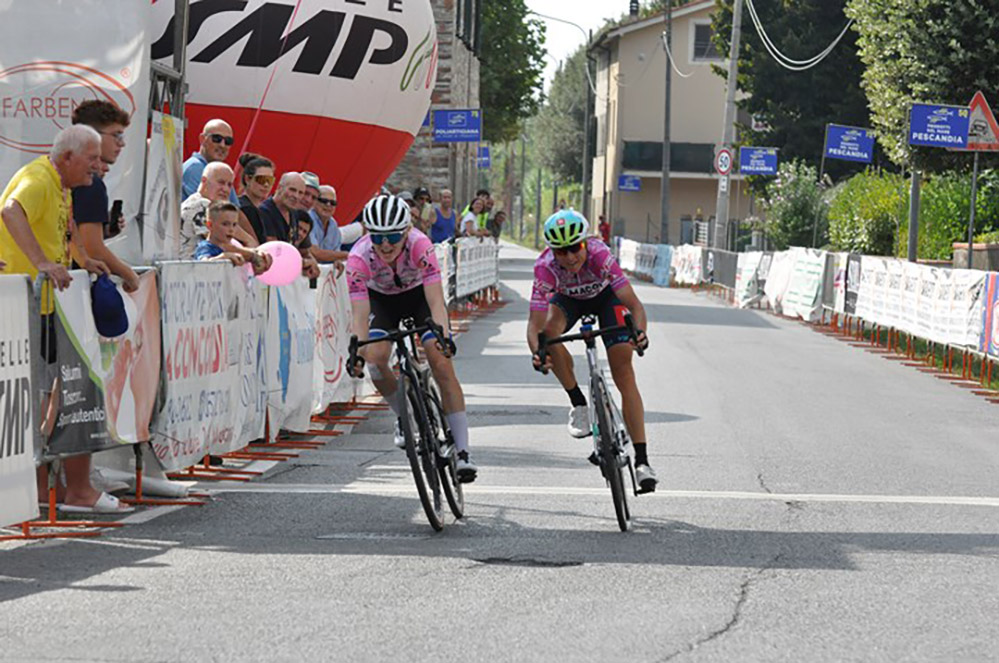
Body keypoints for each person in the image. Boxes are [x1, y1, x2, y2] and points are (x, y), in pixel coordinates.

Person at [0, 125, 130, 513]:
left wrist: (81, 259)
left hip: (41, 306)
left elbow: (62, 229)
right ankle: (34, 488)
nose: (98, 165)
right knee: (37, 399)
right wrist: (41, 263)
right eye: (91, 158)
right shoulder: (39, 178)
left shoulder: (60, 185)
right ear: (67, 157)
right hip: (23, 306)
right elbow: (10, 210)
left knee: (45, 398)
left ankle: (40, 488)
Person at [346, 194, 477, 482]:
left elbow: (436, 301)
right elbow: (359, 313)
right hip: (381, 301)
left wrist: (442, 335)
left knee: (440, 362)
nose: (386, 244)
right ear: (369, 234)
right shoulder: (357, 258)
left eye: (393, 235)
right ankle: (405, 417)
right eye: (378, 237)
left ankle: (464, 451)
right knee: (375, 360)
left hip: (419, 298)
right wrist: (357, 350)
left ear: (406, 230)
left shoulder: (421, 245)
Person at [526, 209, 658, 494]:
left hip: (606, 297)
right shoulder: (545, 268)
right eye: (561, 252)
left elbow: (635, 306)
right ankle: (579, 404)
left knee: (623, 371)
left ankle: (642, 462)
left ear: (585, 243)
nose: (570, 257)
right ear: (552, 252)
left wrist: (640, 333)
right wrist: (538, 352)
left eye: (575, 248)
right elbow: (534, 324)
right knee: (548, 335)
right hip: (568, 300)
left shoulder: (599, 255)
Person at [70, 100, 140, 293]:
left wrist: (104, 231)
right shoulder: (89, 182)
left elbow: (72, 234)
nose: (122, 143)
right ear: (93, 137)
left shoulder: (68, 171)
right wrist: (129, 274)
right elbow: (93, 249)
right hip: (59, 289)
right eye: (116, 135)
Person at [181, 162, 265, 267]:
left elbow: (247, 240)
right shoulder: (200, 204)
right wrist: (254, 256)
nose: (225, 189)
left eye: (229, 185)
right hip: (189, 274)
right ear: (204, 181)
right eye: (221, 182)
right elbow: (220, 244)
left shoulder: (215, 209)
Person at [259, 172, 320, 278]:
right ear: (279, 187)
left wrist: (313, 263)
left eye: (301, 193)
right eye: (292, 190)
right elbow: (275, 251)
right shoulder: (265, 211)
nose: (296, 196)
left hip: (286, 280)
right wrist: (303, 263)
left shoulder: (294, 213)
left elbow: (305, 251)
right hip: (268, 278)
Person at [195, 201, 267, 273]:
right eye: (225, 224)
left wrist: (259, 256)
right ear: (210, 225)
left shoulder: (231, 247)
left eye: (234, 224)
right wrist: (223, 257)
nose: (231, 229)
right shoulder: (205, 247)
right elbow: (203, 264)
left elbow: (251, 253)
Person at [182, 118, 240, 204]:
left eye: (228, 141)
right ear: (202, 139)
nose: (222, 145)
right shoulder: (195, 168)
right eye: (217, 138)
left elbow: (236, 210)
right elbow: (212, 210)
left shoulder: (220, 172)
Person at [237, 153, 274, 243]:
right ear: (248, 179)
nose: (266, 185)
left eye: (269, 180)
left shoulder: (258, 209)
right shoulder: (247, 208)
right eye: (261, 179)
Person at [309, 184, 349, 263]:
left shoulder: (333, 224)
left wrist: (337, 260)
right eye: (324, 201)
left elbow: (336, 254)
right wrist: (347, 255)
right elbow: (315, 253)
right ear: (315, 201)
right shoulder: (307, 219)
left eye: (333, 203)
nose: (328, 205)